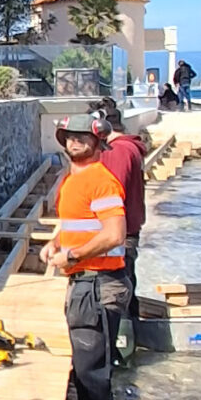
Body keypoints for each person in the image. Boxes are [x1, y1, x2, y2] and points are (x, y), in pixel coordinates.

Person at [42, 114, 129, 400]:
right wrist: (57, 242)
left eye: (82, 137)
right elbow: (79, 225)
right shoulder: (70, 181)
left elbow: (115, 234)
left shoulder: (101, 181)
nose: (74, 141)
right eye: (69, 136)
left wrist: (73, 256)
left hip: (100, 284)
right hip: (84, 283)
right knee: (84, 366)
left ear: (97, 141)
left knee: (92, 371)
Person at [89, 97, 147, 361]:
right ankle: (126, 349)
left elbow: (112, 194)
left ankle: (117, 352)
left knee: (114, 294)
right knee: (126, 288)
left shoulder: (118, 152)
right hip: (125, 232)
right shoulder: (128, 148)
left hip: (117, 236)